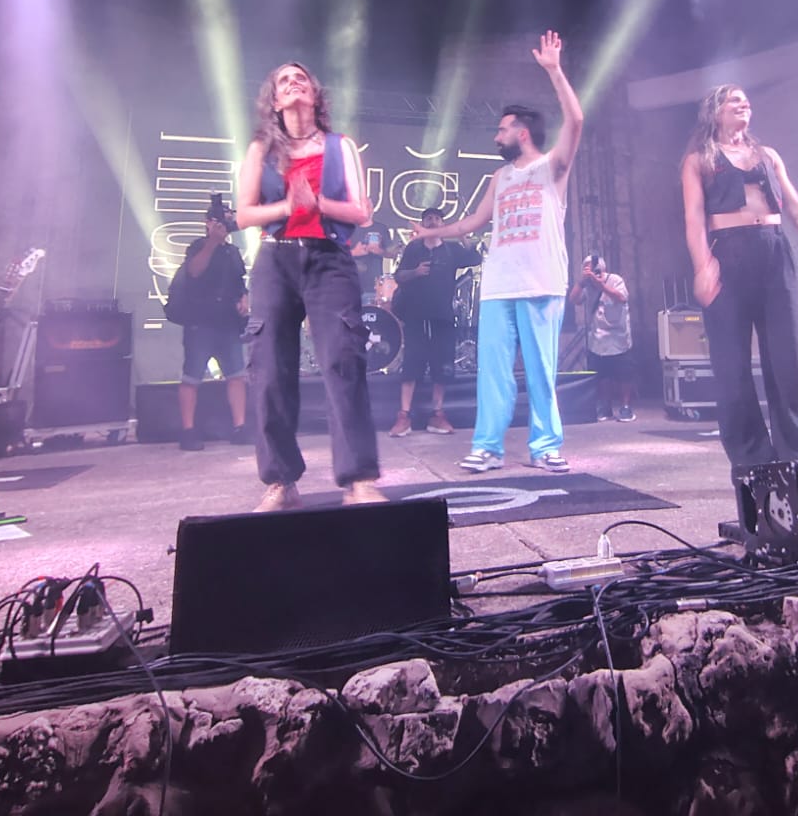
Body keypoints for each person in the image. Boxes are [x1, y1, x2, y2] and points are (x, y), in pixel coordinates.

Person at [422, 31, 583, 474]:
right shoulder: (500, 177)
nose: (497, 135)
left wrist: (554, 71)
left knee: (541, 371)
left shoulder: (552, 167)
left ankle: (545, 446)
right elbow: (473, 223)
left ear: (522, 132)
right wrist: (430, 233)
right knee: (491, 372)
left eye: (502, 129)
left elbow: (576, 120)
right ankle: (487, 447)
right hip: (498, 285)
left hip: (541, 281)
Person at [236, 61, 386, 510]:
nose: (293, 82)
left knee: (343, 361)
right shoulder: (261, 148)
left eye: (300, 78)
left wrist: (316, 203)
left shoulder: (341, 146)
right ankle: (281, 481)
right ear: (275, 100)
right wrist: (288, 205)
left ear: (315, 96)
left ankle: (359, 479)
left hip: (329, 259)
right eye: (284, 80)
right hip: (276, 258)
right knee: (269, 369)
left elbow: (361, 212)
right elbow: (244, 214)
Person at [680, 84, 798, 473]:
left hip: (774, 253)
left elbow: (797, 207)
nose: (743, 104)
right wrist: (703, 264)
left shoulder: (768, 156)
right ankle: (751, 458)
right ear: (715, 112)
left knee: (788, 360)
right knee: (732, 364)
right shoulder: (699, 160)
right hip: (727, 255)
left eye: (745, 100)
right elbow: (693, 217)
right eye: (733, 100)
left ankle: (797, 453)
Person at [388, 206, 482, 437]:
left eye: (437, 218)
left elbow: (475, 258)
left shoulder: (451, 250)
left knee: (443, 365)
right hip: (415, 314)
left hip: (442, 315)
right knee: (412, 363)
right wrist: (415, 272)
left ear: (443, 224)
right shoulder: (413, 248)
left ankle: (437, 414)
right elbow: (399, 276)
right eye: (428, 218)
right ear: (422, 223)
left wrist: (462, 235)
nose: (433, 221)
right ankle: (404, 416)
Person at [166, 199, 251, 451]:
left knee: (236, 375)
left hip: (228, 322)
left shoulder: (233, 252)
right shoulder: (197, 246)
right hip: (200, 322)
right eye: (218, 220)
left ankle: (240, 426)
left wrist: (243, 299)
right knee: (192, 377)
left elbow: (239, 281)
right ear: (208, 223)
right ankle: (188, 430)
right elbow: (194, 271)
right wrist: (212, 243)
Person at [570, 252, 635, 423]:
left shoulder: (615, 280)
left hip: (618, 335)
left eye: (591, 268)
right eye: (585, 269)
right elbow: (574, 299)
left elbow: (622, 297)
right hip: (598, 338)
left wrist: (601, 286)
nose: (589, 271)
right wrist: (581, 282)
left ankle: (626, 406)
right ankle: (606, 406)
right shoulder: (587, 286)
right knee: (603, 375)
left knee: (624, 374)